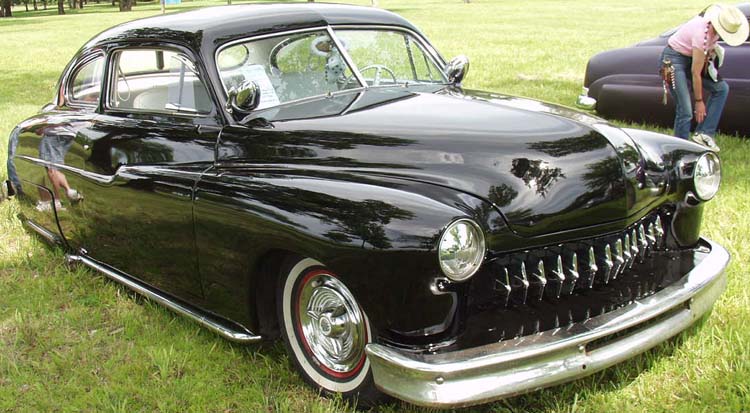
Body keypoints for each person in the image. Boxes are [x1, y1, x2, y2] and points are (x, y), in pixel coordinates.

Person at [659, 4, 748, 151]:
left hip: (692, 57)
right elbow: (695, 72)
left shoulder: (719, 25)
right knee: (686, 109)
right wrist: (699, 102)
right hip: (673, 59)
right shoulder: (702, 35)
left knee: (721, 88)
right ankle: (680, 150)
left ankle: (704, 134)